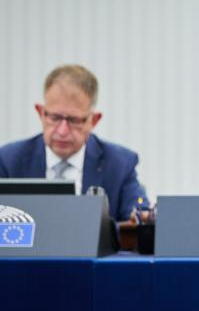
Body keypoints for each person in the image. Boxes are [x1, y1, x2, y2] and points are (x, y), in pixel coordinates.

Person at [0, 64, 150, 222]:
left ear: (94, 120)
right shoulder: (9, 161)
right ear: (41, 113)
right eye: (55, 118)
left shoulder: (119, 163)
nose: (62, 131)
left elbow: (138, 222)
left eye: (74, 120)